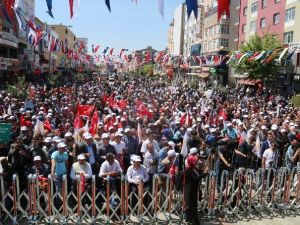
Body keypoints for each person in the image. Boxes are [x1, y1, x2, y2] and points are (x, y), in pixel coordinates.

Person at [184, 155, 207, 225]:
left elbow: (200, 173)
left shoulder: (194, 168)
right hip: (190, 191)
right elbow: (196, 179)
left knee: (192, 206)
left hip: (194, 190)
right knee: (192, 206)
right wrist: (204, 173)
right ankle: (195, 222)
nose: (196, 162)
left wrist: (205, 170)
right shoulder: (188, 170)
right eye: (194, 161)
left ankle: (189, 219)